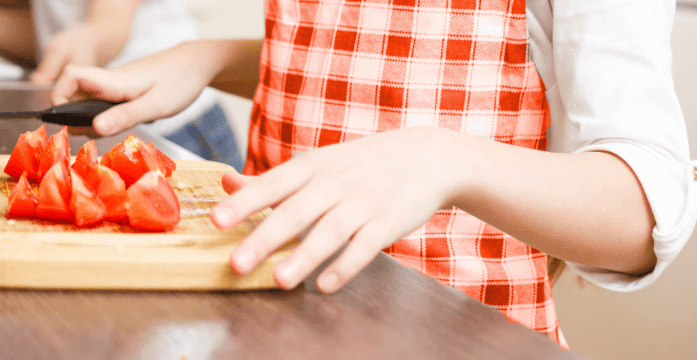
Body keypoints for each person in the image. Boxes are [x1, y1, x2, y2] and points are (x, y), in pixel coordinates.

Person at [49, 0, 697, 347]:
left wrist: (446, 158)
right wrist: (210, 57)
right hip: (268, 332)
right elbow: (380, 71)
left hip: (454, 339)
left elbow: (643, 212)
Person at [0, 0, 245, 170]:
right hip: (111, 122)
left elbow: (112, 19)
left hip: (181, 128)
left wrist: (89, 38)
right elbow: (51, 29)